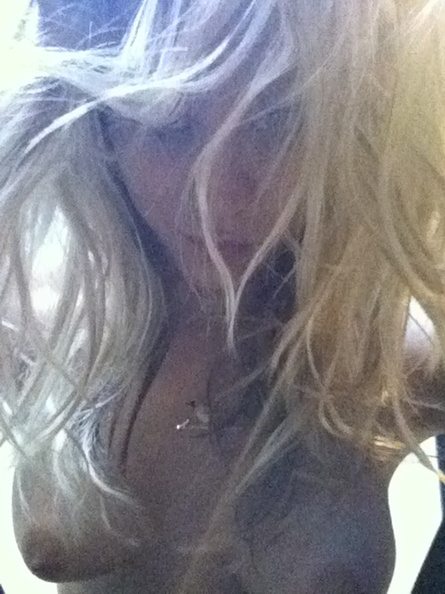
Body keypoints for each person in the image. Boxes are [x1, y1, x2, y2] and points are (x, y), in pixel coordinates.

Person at [1, 1, 445, 592]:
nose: (217, 197)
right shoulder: (37, 323)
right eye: (167, 122)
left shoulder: (384, 361)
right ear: (102, 121)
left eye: (277, 118)